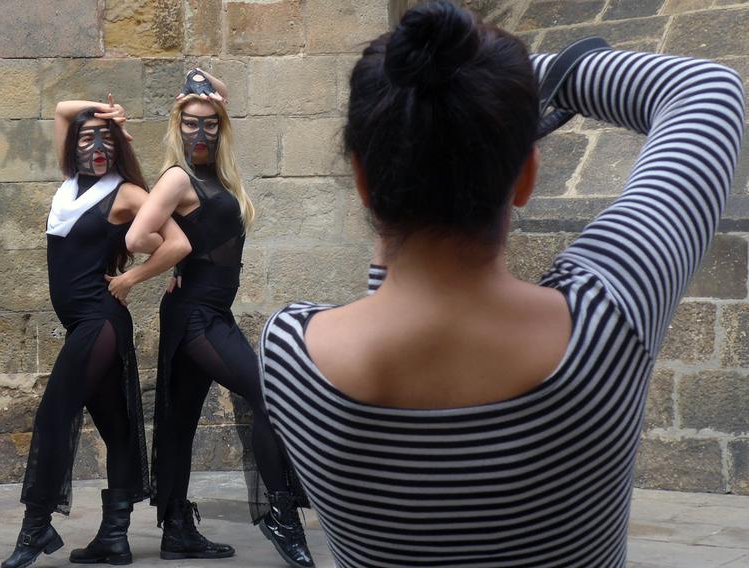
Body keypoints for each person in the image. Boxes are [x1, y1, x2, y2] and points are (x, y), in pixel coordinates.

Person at [258, 2, 745, 567]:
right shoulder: (609, 317)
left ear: (363, 182)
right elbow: (706, 90)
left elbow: (387, 288)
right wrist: (513, 82)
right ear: (527, 176)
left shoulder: (288, 353)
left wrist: (428, 96)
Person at [121, 69, 314, 567]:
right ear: (176, 126)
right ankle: (282, 514)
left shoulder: (214, 175)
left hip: (208, 312)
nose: (200, 133)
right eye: (190, 124)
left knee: (180, 423)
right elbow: (138, 236)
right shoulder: (177, 178)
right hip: (196, 320)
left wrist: (206, 89)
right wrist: (161, 264)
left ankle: (178, 532)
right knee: (267, 397)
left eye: (209, 124)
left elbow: (216, 95)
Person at [1, 96, 191, 568]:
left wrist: (130, 279)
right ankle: (115, 537)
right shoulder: (67, 186)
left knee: (53, 416)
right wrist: (109, 116)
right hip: (81, 324)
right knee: (117, 430)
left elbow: (179, 242)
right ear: (74, 147)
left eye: (106, 140)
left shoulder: (124, 192)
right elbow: (65, 108)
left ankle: (36, 526)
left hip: (100, 321)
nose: (96, 146)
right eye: (88, 138)